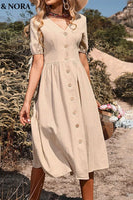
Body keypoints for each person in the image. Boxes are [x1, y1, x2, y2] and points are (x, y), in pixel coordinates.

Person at [19, 0, 109, 199]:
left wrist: (91, 97)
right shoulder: (37, 23)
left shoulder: (81, 21)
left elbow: (83, 61)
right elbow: (37, 63)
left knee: (84, 146)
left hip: (80, 91)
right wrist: (27, 101)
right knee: (42, 143)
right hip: (51, 91)